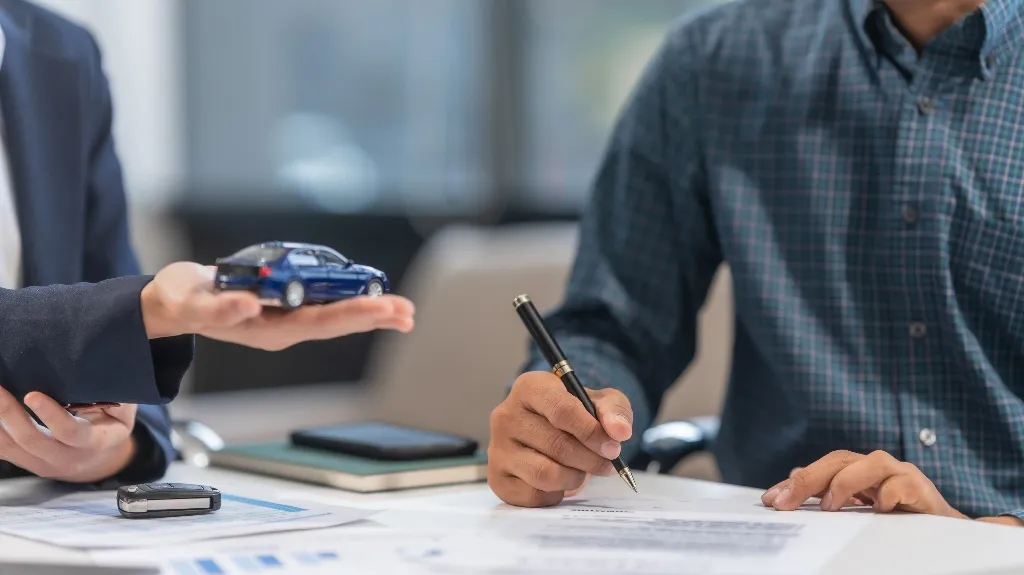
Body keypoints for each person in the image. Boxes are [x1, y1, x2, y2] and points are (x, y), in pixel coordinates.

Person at [487, 0, 1024, 526]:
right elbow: (614, 326)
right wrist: (562, 418)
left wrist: (986, 538)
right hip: (781, 531)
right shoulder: (715, 60)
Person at [0, 0, 414, 487]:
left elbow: (139, 403)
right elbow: (120, 306)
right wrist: (144, 311)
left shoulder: (61, 52)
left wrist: (110, 452)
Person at [0, 262, 415, 484]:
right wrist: (146, 311)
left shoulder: (69, 98)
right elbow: (125, 298)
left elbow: (107, 269)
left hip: (69, 517)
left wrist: (119, 448)